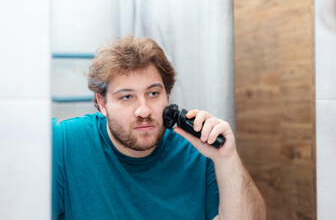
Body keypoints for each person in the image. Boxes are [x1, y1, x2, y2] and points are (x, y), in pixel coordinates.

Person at [52, 36, 267, 220]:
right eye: (127, 97)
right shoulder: (65, 142)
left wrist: (226, 158)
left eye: (153, 93)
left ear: (167, 95)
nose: (143, 110)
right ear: (102, 103)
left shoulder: (198, 149)